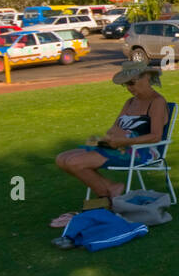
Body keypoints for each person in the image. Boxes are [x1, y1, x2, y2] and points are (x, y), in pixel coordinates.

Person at [55, 62, 169, 199]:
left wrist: (125, 140)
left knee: (74, 162)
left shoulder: (157, 102)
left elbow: (156, 136)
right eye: (125, 84)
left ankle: (105, 198)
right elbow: (115, 128)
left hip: (142, 151)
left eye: (131, 83)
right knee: (62, 159)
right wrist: (108, 139)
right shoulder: (130, 102)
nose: (128, 88)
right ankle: (111, 187)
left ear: (146, 77)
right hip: (120, 146)